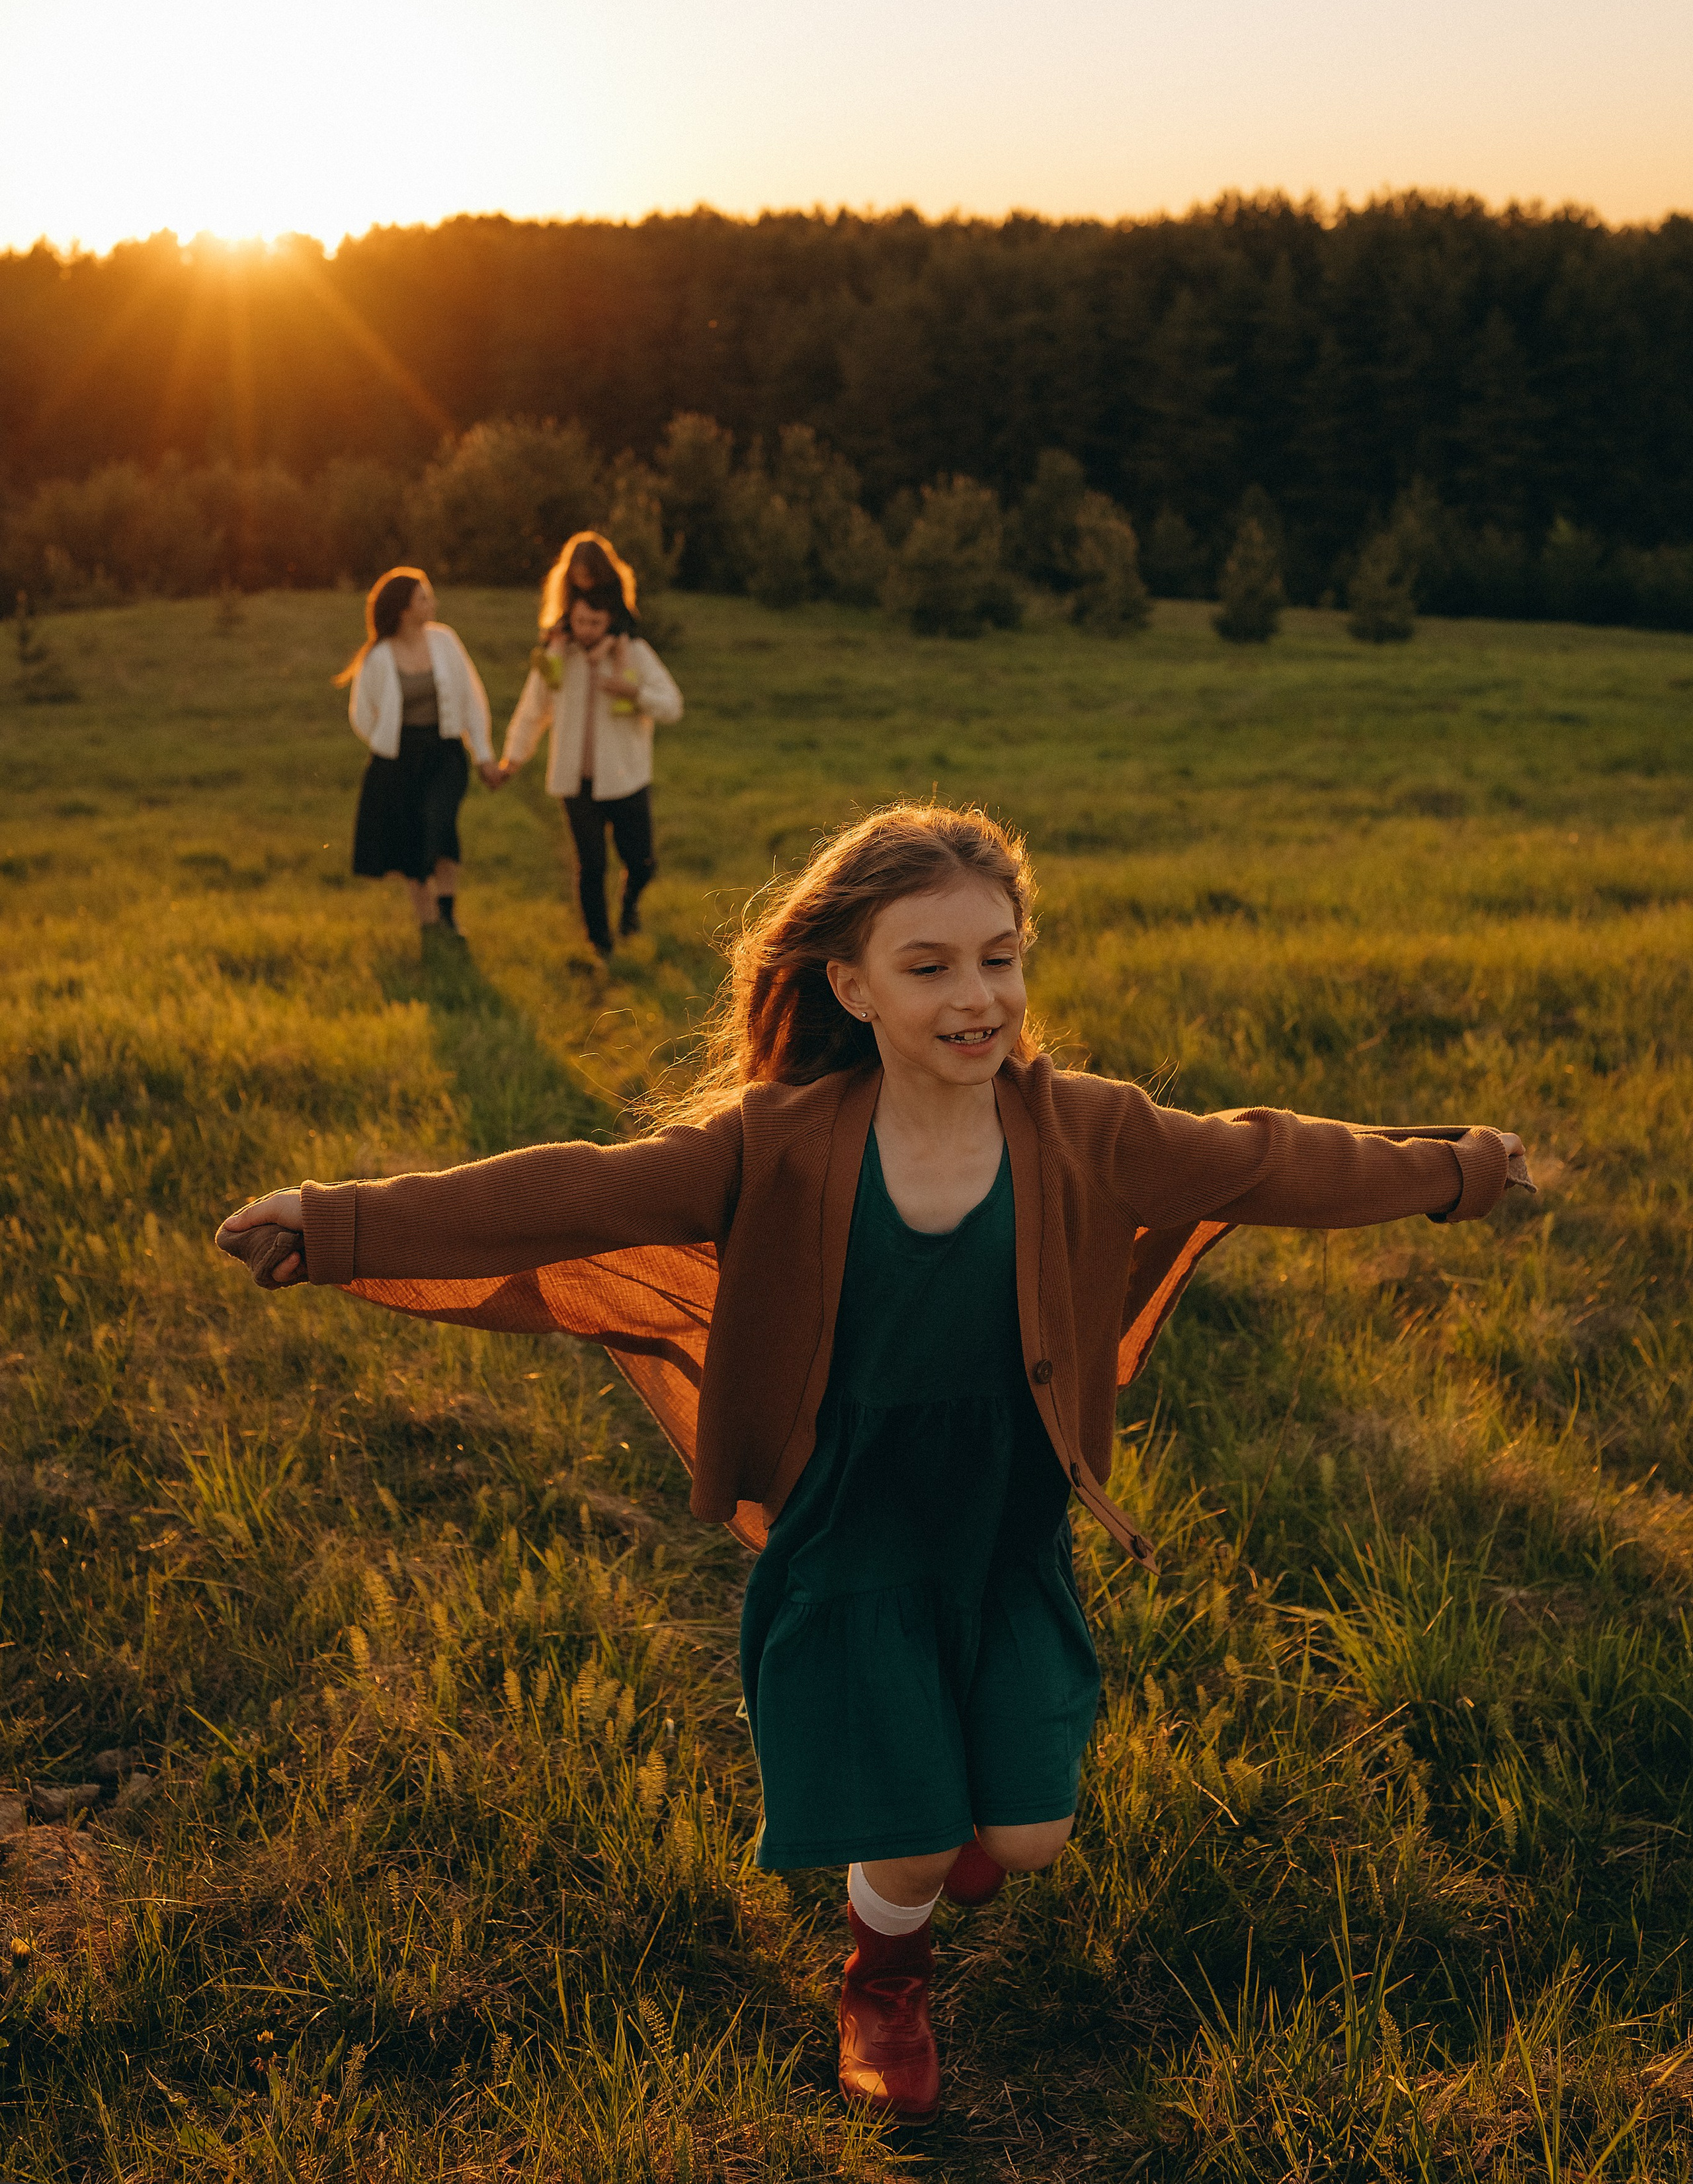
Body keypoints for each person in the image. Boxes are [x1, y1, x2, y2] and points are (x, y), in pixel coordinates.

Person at [216, 803, 1530, 2126]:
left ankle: (929, 1832)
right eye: (929, 967)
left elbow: (1263, 1157)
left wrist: (1455, 1172)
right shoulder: (774, 1143)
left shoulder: (1084, 1128)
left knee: (1024, 1838)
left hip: (1009, 1515)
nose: (978, 997)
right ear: (848, 984)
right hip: (851, 1522)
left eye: (999, 958)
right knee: (905, 1841)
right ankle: (880, 1976)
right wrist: (336, 1223)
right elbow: (573, 1190)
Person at [498, 530, 682, 957]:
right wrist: (513, 759)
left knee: (641, 863)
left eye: (595, 623)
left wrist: (633, 692)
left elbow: (673, 705)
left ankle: (630, 906)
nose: (586, 630)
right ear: (568, 611)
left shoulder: (632, 652)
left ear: (609, 618)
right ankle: (600, 945)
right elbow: (533, 710)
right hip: (574, 781)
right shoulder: (558, 656)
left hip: (627, 777)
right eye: (579, 620)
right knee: (591, 866)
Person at [338, 566, 499, 937]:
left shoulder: (445, 641)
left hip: (444, 753)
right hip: (399, 760)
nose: (432, 603)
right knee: (410, 838)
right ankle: (428, 923)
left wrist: (483, 754)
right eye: (424, 597)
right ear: (403, 609)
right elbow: (361, 715)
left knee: (439, 825)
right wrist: (386, 743)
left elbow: (472, 699)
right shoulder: (378, 657)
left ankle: (448, 913)